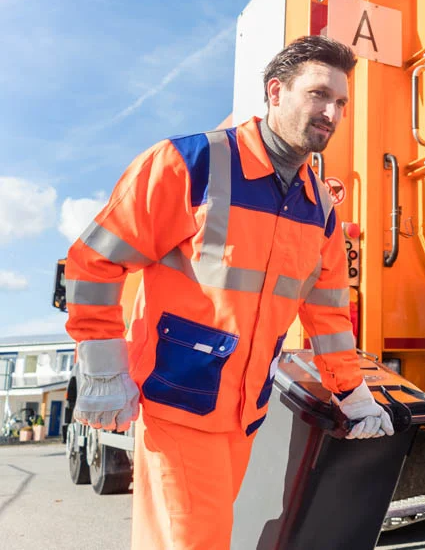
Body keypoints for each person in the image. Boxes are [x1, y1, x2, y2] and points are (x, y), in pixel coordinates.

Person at [64, 36, 394, 549]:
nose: (332, 112)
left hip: (244, 416)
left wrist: (352, 393)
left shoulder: (320, 211)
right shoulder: (190, 164)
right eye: (319, 95)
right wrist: (104, 367)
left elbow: (329, 318)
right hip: (177, 404)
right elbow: (95, 260)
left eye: (341, 103)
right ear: (276, 91)